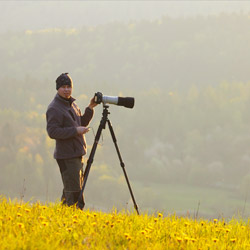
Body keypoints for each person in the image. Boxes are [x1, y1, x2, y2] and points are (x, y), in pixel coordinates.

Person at [46, 73, 98, 208]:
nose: (67, 89)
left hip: (76, 154)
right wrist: (75, 131)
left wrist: (90, 107)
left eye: (69, 86)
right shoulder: (54, 108)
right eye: (63, 86)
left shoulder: (71, 104)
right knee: (75, 193)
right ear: (58, 88)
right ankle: (74, 220)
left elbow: (80, 123)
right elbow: (52, 132)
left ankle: (62, 219)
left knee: (70, 190)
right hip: (67, 156)